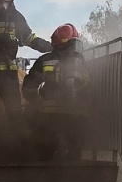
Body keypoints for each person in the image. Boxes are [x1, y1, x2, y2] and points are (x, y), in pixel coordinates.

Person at [0, 0, 50, 155]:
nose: (4, 4)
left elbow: (30, 39)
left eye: (7, 1)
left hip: (8, 75)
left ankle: (16, 151)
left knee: (15, 113)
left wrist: (52, 48)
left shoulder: (16, 18)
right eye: (1, 0)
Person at [23, 23, 91, 162]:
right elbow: (89, 91)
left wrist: (36, 102)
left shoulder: (46, 60)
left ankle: (43, 173)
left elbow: (29, 87)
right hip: (78, 116)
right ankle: (73, 176)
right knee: (74, 151)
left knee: (43, 147)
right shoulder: (84, 64)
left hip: (49, 114)